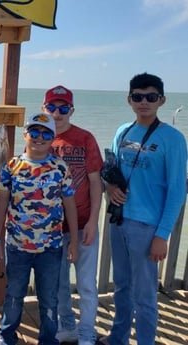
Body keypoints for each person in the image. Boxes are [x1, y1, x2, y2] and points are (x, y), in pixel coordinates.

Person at [99, 73, 187, 345]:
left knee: (146, 295)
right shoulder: (122, 131)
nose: (144, 102)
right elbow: (110, 170)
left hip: (147, 228)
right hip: (119, 222)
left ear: (161, 100)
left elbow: (176, 190)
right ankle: (118, 338)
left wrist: (162, 235)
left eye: (151, 97)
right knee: (122, 288)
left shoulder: (173, 138)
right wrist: (109, 188)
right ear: (130, 100)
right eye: (138, 97)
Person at [0, 112, 79, 345]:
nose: (40, 137)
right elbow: (1, 202)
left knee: (49, 299)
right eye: (35, 131)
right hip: (17, 246)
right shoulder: (11, 167)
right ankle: (6, 337)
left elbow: (70, 204)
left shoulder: (60, 168)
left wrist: (75, 242)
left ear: (53, 137)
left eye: (46, 133)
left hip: (51, 248)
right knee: (13, 295)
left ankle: (48, 340)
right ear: (25, 134)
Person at [41, 85, 103, 345]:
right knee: (59, 285)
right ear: (44, 109)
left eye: (63, 108)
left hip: (83, 224)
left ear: (71, 110)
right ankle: (67, 326)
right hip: (53, 229)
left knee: (87, 283)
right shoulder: (40, 138)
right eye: (52, 107)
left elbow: (96, 182)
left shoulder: (85, 138)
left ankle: (87, 333)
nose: (58, 113)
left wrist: (93, 222)